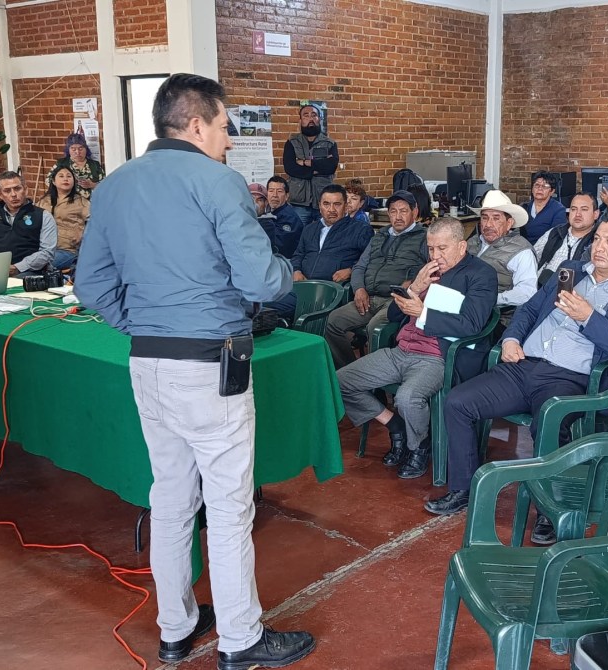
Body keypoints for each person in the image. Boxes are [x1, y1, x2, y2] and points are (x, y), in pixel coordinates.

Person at [74, 73, 315, 669]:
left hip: (149, 361)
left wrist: (144, 322)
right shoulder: (219, 181)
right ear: (198, 123)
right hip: (211, 363)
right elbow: (261, 281)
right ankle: (240, 639)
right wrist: (289, 273)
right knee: (231, 507)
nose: (230, 139)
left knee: (172, 499)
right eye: (226, 127)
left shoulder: (114, 185)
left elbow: (90, 284)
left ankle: (176, 627)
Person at [426, 211, 608, 524]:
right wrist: (511, 338)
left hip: (570, 378)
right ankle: (463, 489)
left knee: (548, 422)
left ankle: (551, 511)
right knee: (457, 402)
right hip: (523, 365)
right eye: (598, 239)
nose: (599, 247)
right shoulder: (571, 271)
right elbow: (530, 308)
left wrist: (588, 317)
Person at [337, 218, 498, 479]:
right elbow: (392, 313)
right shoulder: (427, 269)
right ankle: (396, 425)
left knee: (407, 397)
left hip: (438, 356)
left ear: (461, 246)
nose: (435, 255)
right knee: (340, 381)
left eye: (442, 248)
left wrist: (423, 312)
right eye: (431, 248)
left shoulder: (480, 274)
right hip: (403, 349)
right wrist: (415, 287)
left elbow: (472, 324)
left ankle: (418, 447)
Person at [325, 190, 428, 369]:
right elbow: (360, 266)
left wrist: (413, 282)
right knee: (333, 321)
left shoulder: (424, 238)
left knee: (375, 328)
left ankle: (375, 384)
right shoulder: (379, 236)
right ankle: (349, 371)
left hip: (397, 301)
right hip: (369, 298)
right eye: (393, 211)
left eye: (403, 211)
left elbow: (432, 268)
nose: (398, 216)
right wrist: (358, 289)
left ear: (415, 212)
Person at [267, 183, 373, 321]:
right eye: (326, 204)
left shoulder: (360, 230)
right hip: (302, 287)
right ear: (320, 206)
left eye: (337, 204)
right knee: (261, 302)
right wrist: (296, 270)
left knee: (268, 307)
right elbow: (298, 255)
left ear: (346, 206)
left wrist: (350, 270)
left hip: (331, 290)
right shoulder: (310, 229)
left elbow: (370, 260)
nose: (331, 209)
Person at [0, 170, 57, 276]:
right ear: (0, 194)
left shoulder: (43, 216)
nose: (13, 194)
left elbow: (47, 252)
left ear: (25, 190)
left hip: (29, 271)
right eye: (7, 191)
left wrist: (18, 267)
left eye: (17, 188)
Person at [467, 189, 538, 315]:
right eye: (484, 218)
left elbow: (526, 292)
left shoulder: (521, 251)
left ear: (509, 223)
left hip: (494, 316)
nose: (488, 224)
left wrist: (491, 299)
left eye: (496, 218)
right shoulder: (472, 242)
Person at [283, 104, 338, 227]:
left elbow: (331, 167)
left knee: (325, 235)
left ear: (319, 119)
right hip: (299, 203)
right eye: (306, 116)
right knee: (298, 236)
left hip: (323, 200)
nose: (310, 119)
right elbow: (290, 168)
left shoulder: (330, 143)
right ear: (300, 120)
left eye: (314, 115)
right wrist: (316, 170)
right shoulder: (292, 142)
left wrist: (306, 162)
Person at [533, 192, 599, 287]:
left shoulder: (598, 240)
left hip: (574, 292)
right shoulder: (555, 232)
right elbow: (533, 258)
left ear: (595, 214)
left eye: (584, 209)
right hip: (540, 287)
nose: (578, 214)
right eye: (573, 209)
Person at [36, 164, 90, 271]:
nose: (65, 179)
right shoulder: (44, 201)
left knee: (42, 264)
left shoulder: (81, 202)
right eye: (61, 176)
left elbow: (97, 221)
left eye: (69, 176)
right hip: (44, 247)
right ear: (54, 182)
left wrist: (84, 233)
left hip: (68, 249)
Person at [47, 133, 105, 199]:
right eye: (73, 149)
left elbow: (106, 184)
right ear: (68, 150)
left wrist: (93, 185)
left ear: (86, 149)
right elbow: (49, 180)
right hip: (68, 202)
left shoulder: (95, 165)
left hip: (91, 203)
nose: (77, 152)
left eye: (80, 148)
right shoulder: (62, 163)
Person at [521, 171, 567, 245]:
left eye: (544, 186)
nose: (540, 189)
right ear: (532, 189)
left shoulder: (558, 210)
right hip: (521, 249)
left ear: (552, 191)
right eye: (537, 185)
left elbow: (555, 238)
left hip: (544, 251)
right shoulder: (523, 207)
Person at [266, 175, 304, 259]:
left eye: (279, 191)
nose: (274, 195)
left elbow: (279, 246)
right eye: (271, 191)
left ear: (287, 196)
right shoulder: (268, 212)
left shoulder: (290, 218)